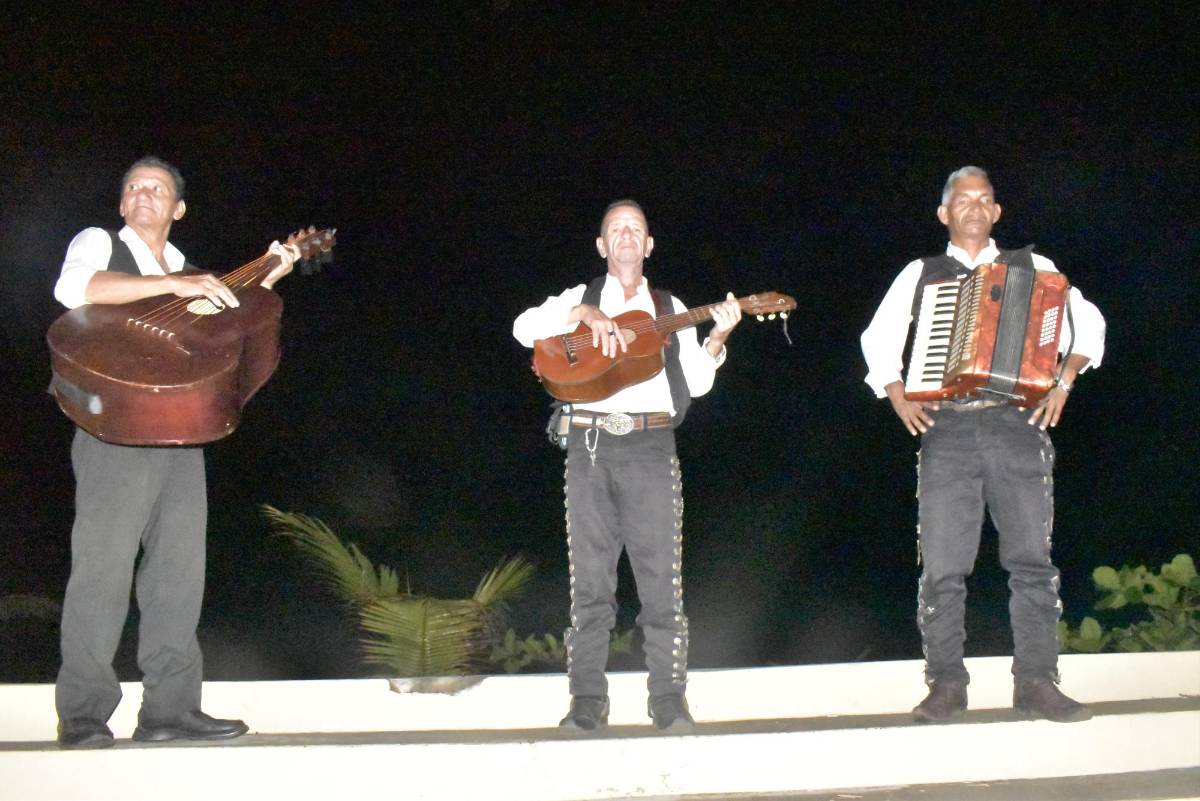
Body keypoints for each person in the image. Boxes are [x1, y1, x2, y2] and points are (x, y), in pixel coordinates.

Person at [52, 156, 297, 748]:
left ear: (177, 209)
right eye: (133, 185)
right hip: (112, 430)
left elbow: (220, 330)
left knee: (178, 575)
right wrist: (173, 283)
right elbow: (73, 288)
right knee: (102, 569)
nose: (143, 193)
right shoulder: (101, 245)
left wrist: (267, 273)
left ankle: (169, 710)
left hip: (180, 431)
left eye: (157, 188)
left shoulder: (193, 274)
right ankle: (84, 714)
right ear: (121, 204)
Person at [860, 166, 1106, 723]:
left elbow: (1087, 325)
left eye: (985, 199)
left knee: (1031, 560)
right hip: (945, 430)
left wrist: (1064, 382)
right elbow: (878, 339)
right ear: (944, 213)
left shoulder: (1034, 267)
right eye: (961, 199)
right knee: (943, 566)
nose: (974, 206)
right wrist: (898, 394)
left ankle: (1037, 682)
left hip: (1016, 425)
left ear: (996, 212)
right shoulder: (921, 274)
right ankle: (947, 684)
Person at [513, 200, 742, 731]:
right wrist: (582, 315)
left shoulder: (670, 305)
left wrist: (718, 338)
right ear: (601, 244)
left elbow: (696, 384)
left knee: (662, 582)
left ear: (649, 244)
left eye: (635, 229)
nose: (625, 236)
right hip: (588, 450)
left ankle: (668, 700)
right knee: (590, 586)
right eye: (615, 229)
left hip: (649, 447)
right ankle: (588, 702)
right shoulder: (581, 295)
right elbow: (524, 327)